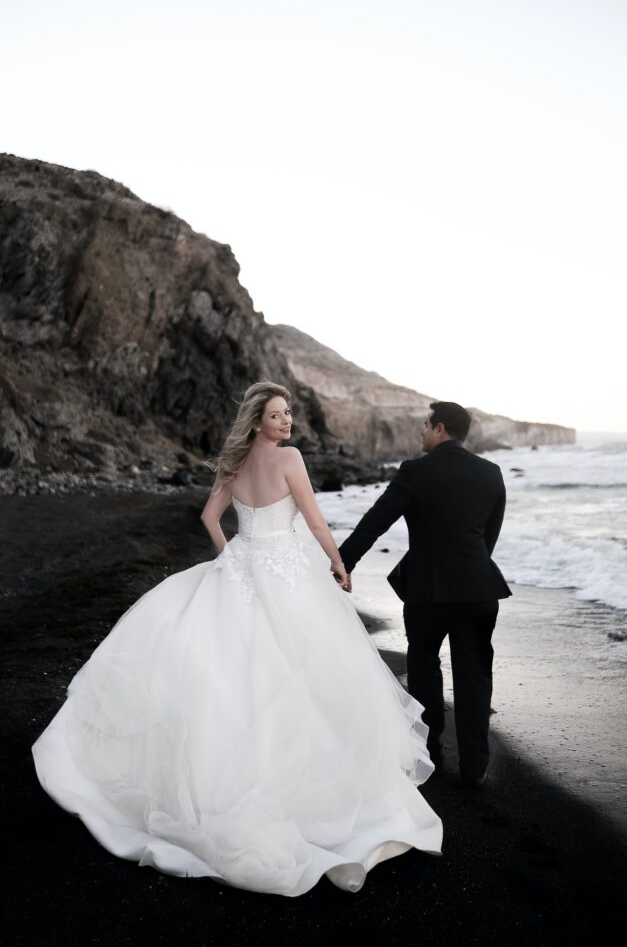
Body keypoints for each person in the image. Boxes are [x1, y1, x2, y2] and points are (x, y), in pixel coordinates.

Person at [32, 382, 442, 897]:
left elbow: (209, 517)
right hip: (288, 572)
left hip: (243, 565)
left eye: (289, 413)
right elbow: (314, 520)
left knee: (237, 663)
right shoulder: (290, 458)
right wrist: (338, 564)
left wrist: (233, 555)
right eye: (277, 415)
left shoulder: (234, 464)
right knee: (302, 668)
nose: (287, 422)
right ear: (257, 421)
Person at [338, 401, 511, 787]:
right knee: (475, 677)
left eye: (425, 425)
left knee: (424, 671)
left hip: (429, 594)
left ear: (440, 428)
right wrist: (471, 570)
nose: (421, 431)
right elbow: (489, 537)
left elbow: (375, 523)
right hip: (478, 591)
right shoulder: (491, 472)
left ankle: (429, 756)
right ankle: (475, 768)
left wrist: (343, 562)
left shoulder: (415, 472)